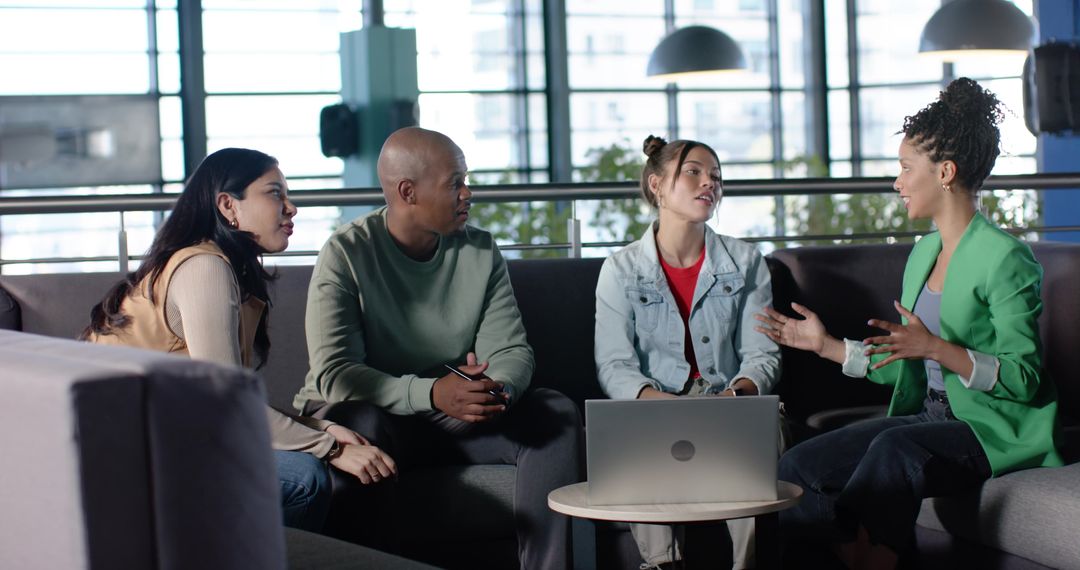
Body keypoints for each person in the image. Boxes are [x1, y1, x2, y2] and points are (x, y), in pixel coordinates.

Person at [754, 78, 1063, 570]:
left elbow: (1023, 379)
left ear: (944, 172)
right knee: (796, 468)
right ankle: (860, 553)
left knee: (894, 447)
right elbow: (906, 362)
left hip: (988, 427)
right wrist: (826, 346)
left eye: (904, 168)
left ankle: (876, 554)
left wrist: (939, 349)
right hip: (930, 416)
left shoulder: (1006, 258)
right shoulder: (923, 253)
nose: (896, 182)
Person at [293, 126, 582, 570]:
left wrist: (494, 389)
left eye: (467, 181)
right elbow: (335, 374)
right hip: (381, 418)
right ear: (407, 191)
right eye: (456, 183)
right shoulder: (347, 252)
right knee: (358, 418)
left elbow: (512, 350)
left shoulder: (480, 250)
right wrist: (431, 393)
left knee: (555, 412)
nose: (469, 193)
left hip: (454, 417)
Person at [82, 147, 396, 533]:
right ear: (228, 205)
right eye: (275, 193)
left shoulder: (217, 266)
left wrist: (321, 428)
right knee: (302, 477)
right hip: (124, 457)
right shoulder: (203, 267)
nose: (291, 207)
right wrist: (330, 448)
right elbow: (226, 406)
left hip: (160, 442)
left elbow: (225, 398)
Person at [594, 135, 782, 569]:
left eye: (715, 176)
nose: (708, 184)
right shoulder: (619, 270)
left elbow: (762, 356)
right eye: (693, 172)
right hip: (653, 406)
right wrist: (664, 407)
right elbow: (614, 364)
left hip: (731, 404)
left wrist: (732, 399)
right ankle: (662, 564)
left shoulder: (747, 261)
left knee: (756, 435)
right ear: (657, 185)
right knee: (636, 436)